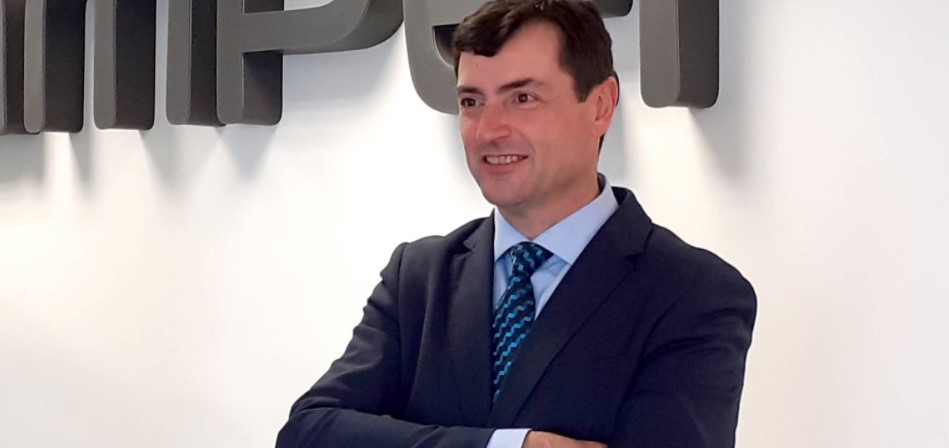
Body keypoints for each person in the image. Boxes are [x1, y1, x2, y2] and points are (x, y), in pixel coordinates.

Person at [275, 1, 756, 447]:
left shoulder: (694, 294)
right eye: (471, 102)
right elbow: (309, 431)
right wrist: (508, 445)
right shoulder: (418, 276)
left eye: (522, 98)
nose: (488, 130)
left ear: (601, 106)